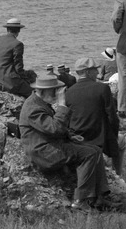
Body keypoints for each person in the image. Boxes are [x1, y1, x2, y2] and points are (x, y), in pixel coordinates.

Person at [19, 72, 112, 212]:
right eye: (54, 90)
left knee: (96, 150)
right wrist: (62, 105)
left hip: (48, 146)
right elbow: (54, 128)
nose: (57, 94)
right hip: (43, 152)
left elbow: (50, 128)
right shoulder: (33, 108)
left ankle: (99, 198)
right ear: (43, 91)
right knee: (89, 154)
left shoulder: (39, 102)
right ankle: (81, 200)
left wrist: (70, 136)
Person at [65, 57, 125, 177]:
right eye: (95, 70)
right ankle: (117, 175)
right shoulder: (102, 88)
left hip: (77, 136)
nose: (98, 73)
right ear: (87, 72)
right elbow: (112, 118)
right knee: (121, 141)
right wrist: (113, 135)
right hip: (98, 136)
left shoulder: (69, 92)